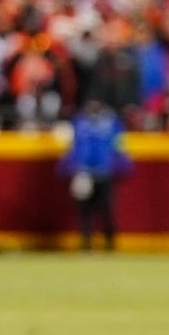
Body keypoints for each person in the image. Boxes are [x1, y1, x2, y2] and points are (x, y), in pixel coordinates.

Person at [59, 99, 132, 251]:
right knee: (85, 212)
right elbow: (73, 147)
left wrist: (120, 167)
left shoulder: (111, 123)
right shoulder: (79, 123)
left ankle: (110, 242)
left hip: (104, 173)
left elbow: (118, 147)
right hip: (84, 173)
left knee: (107, 210)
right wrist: (71, 169)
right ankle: (86, 243)